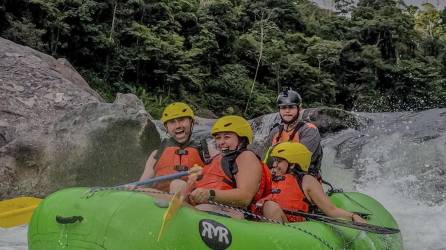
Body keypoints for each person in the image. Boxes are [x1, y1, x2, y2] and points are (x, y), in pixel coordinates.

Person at [260, 142, 366, 223]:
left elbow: (331, 210)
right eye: (274, 161)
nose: (274, 165)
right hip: (261, 223)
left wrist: (353, 216)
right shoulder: (268, 178)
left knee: (270, 207)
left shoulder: (307, 181)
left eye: (279, 161)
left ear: (292, 164)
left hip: (290, 229)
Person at [188, 115, 271, 217]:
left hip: (234, 213)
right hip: (206, 207)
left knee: (199, 209)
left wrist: (211, 194)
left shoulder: (246, 157)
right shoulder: (217, 158)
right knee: (174, 187)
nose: (221, 142)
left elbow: (245, 197)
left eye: (227, 137)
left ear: (242, 139)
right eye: (218, 138)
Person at [136, 102, 210, 193]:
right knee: (138, 190)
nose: (178, 126)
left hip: (191, 198)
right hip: (159, 197)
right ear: (166, 127)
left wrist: (204, 172)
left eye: (182, 120)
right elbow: (142, 183)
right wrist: (135, 188)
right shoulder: (156, 154)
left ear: (192, 122)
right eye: (172, 122)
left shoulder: (206, 151)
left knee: (177, 184)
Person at [264, 87, 323, 179]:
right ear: (279, 110)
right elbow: (267, 158)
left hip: (303, 178)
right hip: (276, 175)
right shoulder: (275, 131)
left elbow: (299, 160)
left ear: (299, 109)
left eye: (291, 107)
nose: (287, 111)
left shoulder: (309, 130)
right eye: (283, 107)